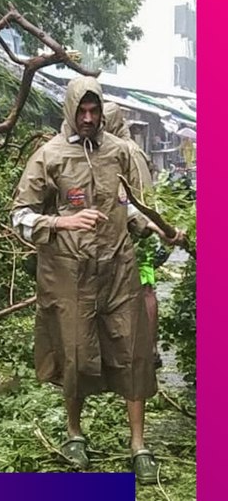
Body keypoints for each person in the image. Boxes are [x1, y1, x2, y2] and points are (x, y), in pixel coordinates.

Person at [11, 76, 184, 485]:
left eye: (94, 111)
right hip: (68, 273)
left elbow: (132, 209)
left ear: (102, 110)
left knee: (134, 350)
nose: (88, 118)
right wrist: (62, 221)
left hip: (117, 269)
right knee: (73, 351)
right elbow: (19, 216)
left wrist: (158, 228)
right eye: (81, 111)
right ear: (70, 110)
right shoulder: (48, 156)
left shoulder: (120, 152)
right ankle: (75, 434)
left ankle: (138, 445)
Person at [104, 102, 162, 366]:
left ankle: (146, 351)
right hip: (143, 225)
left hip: (138, 229)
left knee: (143, 289)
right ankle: (144, 349)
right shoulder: (131, 149)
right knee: (139, 288)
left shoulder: (122, 151)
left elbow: (125, 197)